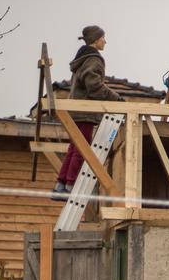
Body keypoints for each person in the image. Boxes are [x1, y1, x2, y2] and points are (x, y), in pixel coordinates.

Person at [52, 25, 123, 197]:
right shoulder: (94, 59)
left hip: (76, 111)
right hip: (85, 112)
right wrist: (116, 99)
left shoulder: (82, 59)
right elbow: (94, 86)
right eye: (103, 38)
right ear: (96, 40)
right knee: (82, 149)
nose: (105, 41)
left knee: (75, 147)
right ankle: (71, 185)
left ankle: (61, 184)